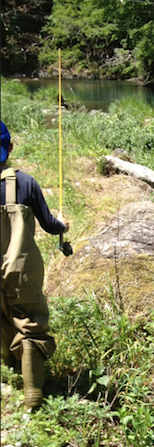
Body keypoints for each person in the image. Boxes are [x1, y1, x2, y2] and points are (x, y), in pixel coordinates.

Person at [1, 121, 69, 409]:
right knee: (29, 322)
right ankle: (33, 395)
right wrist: (63, 223)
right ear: (10, 148)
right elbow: (51, 225)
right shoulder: (25, 183)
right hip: (20, 268)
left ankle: (7, 379)